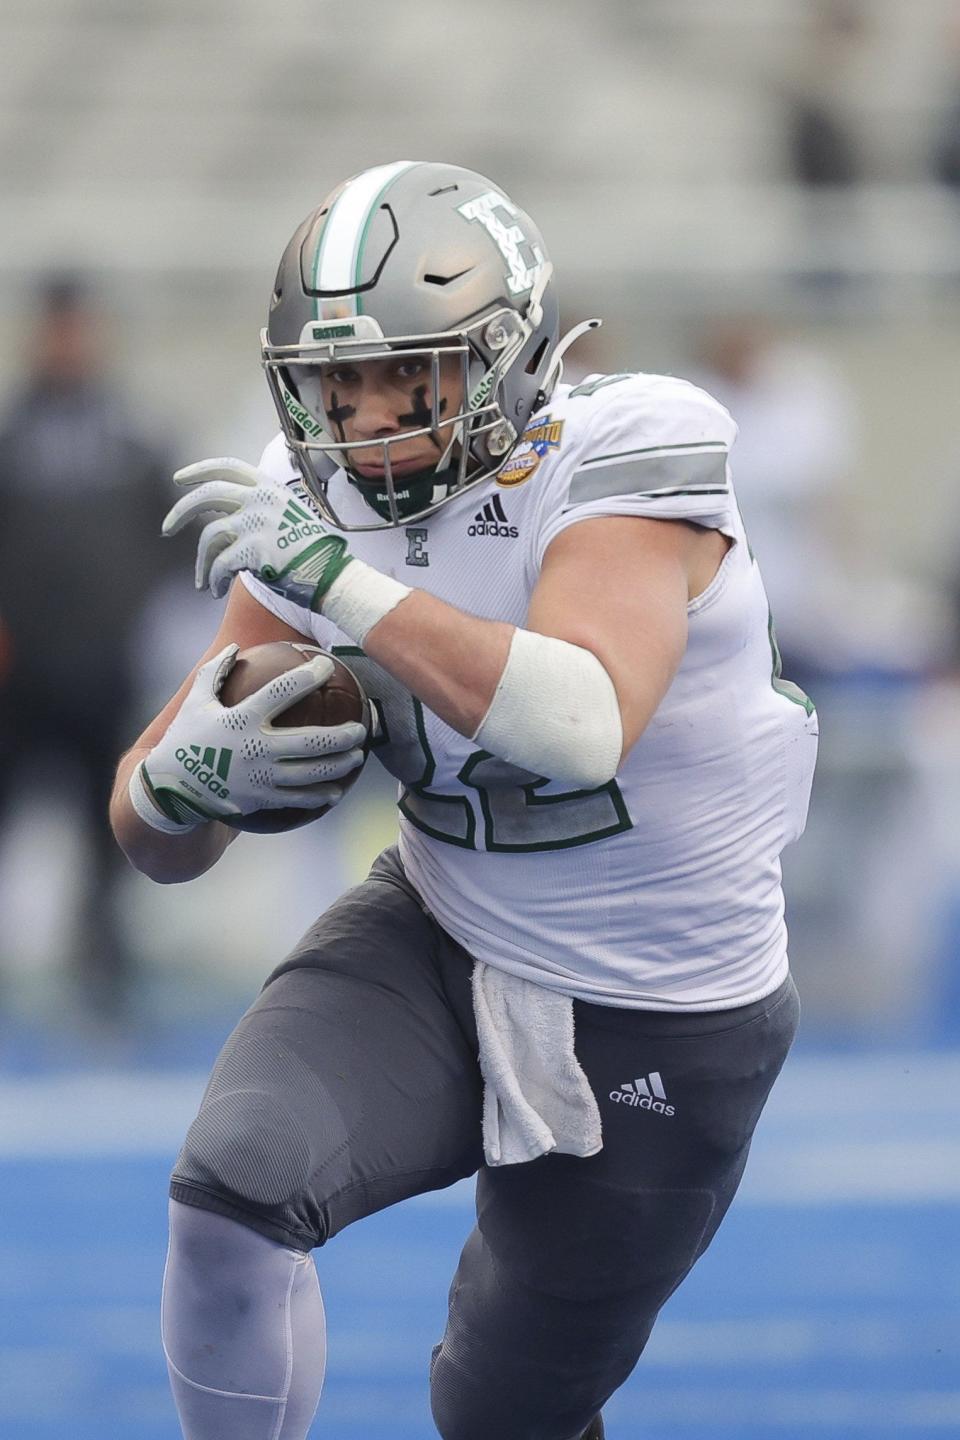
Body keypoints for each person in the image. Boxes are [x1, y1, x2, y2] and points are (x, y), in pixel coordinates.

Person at [110, 161, 818, 1440]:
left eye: (409, 375)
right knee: (230, 1193)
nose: (366, 416)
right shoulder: (309, 490)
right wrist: (183, 783)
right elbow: (151, 832)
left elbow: (579, 725)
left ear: (505, 358)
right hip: (440, 931)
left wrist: (339, 578)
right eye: (338, 382)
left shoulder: (631, 444)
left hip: (658, 1007)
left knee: (497, 1414)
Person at [0, 273, 174, 1015]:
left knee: (110, 839)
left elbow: (179, 539)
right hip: (15, 679)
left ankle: (104, 989)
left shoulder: (134, 443)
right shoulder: (10, 442)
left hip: (104, 676)